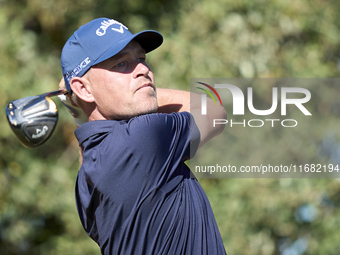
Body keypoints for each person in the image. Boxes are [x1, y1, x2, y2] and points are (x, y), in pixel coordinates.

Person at [60, 17, 227, 255]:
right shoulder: (141, 138)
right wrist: (147, 93)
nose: (143, 70)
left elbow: (92, 146)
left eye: (141, 59)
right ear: (83, 89)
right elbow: (215, 112)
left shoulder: (84, 181)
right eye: (120, 64)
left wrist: (81, 110)